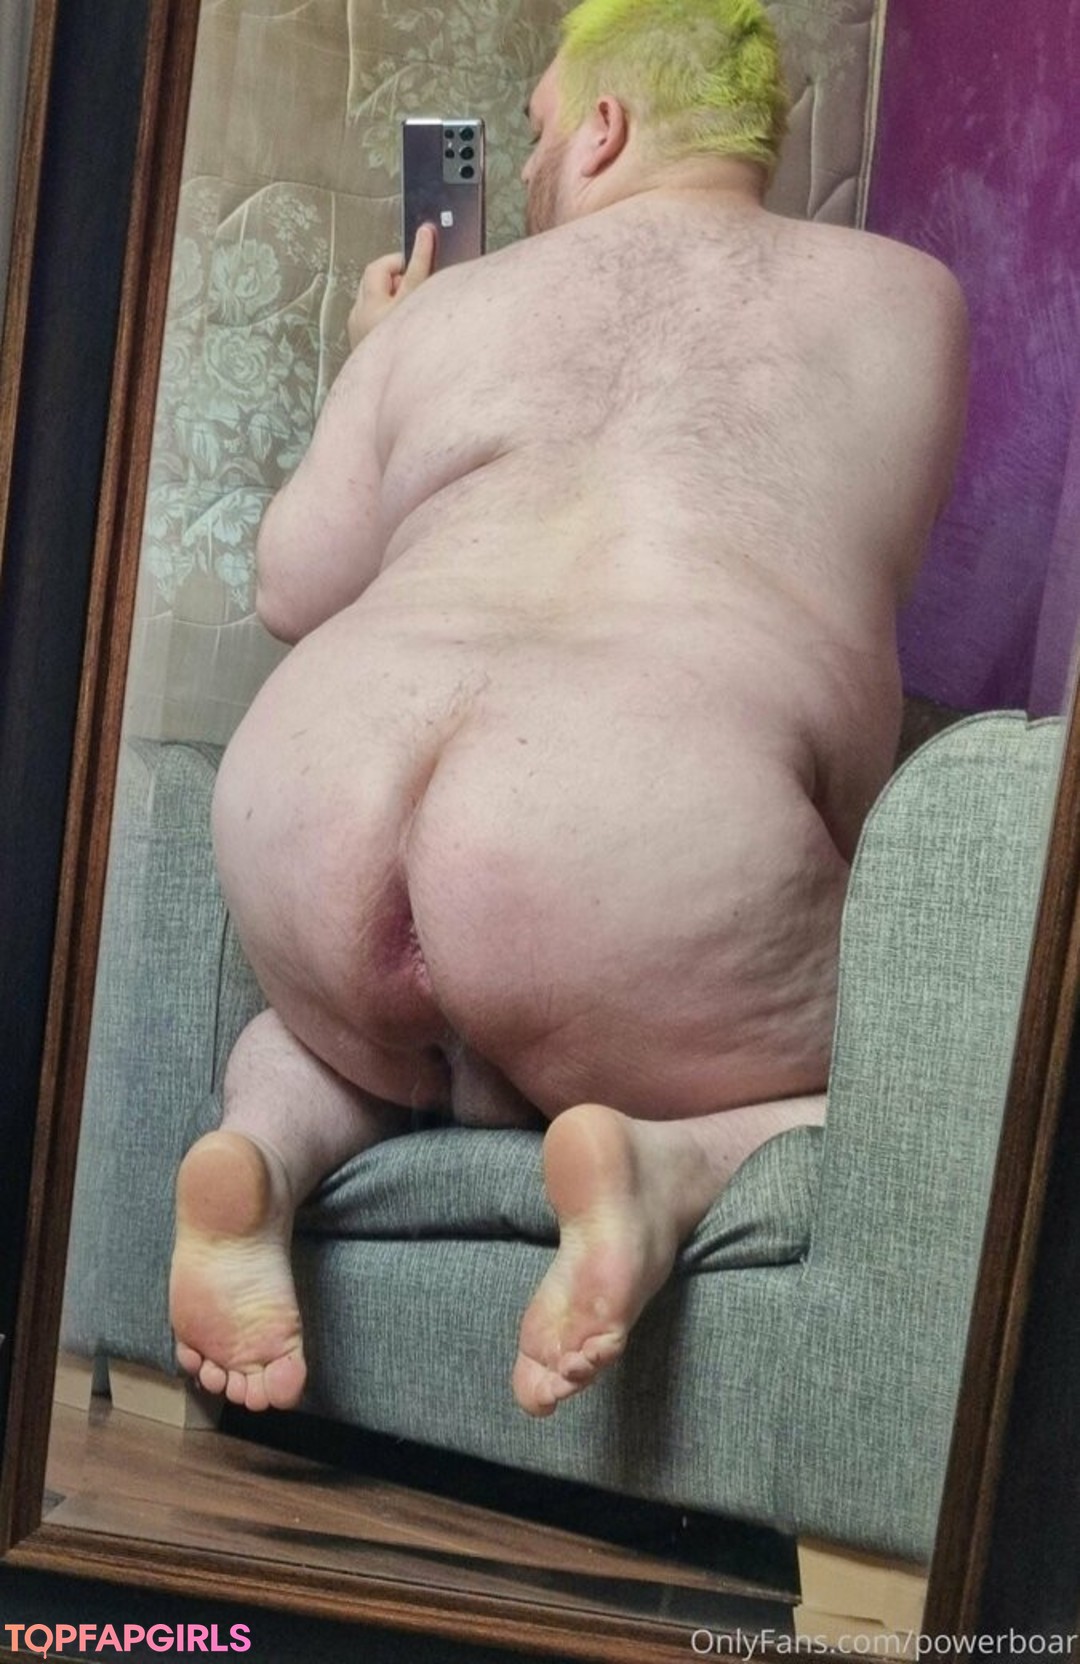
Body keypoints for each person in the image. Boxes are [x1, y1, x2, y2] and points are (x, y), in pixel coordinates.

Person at [168, 0, 968, 1420]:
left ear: (603, 127)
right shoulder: (909, 298)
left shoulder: (451, 309)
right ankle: (667, 1162)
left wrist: (378, 351)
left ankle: (261, 1156)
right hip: (628, 849)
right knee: (915, 1072)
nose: (528, 172)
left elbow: (294, 584)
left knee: (342, 1035)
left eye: (534, 133)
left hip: (313, 808)